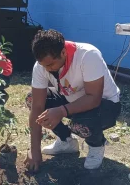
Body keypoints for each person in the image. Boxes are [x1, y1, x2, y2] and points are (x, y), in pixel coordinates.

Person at [24, 29, 121, 172]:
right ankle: (66, 141)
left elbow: (94, 98)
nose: (46, 69)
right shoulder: (41, 66)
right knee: (32, 99)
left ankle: (96, 145)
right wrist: (34, 150)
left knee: (79, 124)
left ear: (63, 52)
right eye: (43, 65)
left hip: (105, 105)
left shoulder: (88, 56)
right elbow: (37, 107)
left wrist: (61, 111)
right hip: (70, 99)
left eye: (50, 65)